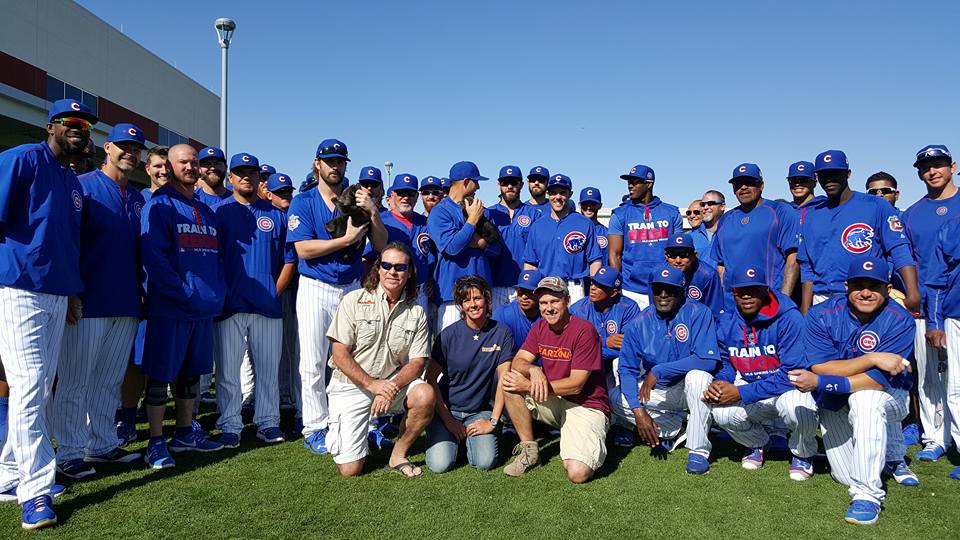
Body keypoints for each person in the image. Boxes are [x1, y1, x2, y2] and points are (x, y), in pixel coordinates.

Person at [0, 98, 96, 530]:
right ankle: (34, 492)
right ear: (51, 125)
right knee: (30, 386)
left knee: (37, 386)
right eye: (71, 122)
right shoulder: (22, 158)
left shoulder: (72, 181)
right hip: (20, 287)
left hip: (58, 294)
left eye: (86, 125)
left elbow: (70, 245)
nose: (79, 129)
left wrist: (74, 293)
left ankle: (7, 474)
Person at [49, 123, 147, 479]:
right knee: (76, 380)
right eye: (123, 146)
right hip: (88, 301)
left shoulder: (137, 197)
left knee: (109, 380)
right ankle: (70, 451)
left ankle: (102, 443)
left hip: (126, 302)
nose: (130, 153)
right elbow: (67, 243)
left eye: (136, 148)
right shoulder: (83, 187)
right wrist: (71, 291)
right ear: (107, 148)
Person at [789, 257, 917, 525]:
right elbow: (821, 366)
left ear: (888, 288)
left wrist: (823, 381)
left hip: (889, 396)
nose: (866, 292)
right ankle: (884, 456)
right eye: (859, 285)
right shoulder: (821, 314)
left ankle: (867, 495)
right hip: (836, 400)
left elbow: (878, 380)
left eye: (875, 285)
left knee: (866, 399)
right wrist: (872, 358)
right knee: (845, 474)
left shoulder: (901, 319)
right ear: (846, 286)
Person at [287, 139, 386, 454]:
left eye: (340, 161)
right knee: (314, 361)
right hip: (316, 285)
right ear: (317, 164)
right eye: (329, 161)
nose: (335, 166)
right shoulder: (303, 201)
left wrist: (372, 212)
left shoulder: (358, 198)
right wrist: (344, 241)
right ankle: (315, 426)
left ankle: (365, 423)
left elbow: (382, 244)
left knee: (360, 359)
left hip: (352, 285)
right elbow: (303, 249)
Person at [140, 144, 228, 470]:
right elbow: (155, 259)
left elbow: (216, 258)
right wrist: (181, 292)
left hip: (203, 307)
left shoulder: (205, 210)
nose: (191, 167)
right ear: (170, 165)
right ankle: (155, 441)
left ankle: (183, 432)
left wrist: (215, 292)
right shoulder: (159, 205)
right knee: (161, 377)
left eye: (194, 162)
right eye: (184, 162)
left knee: (192, 376)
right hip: (172, 307)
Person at [325, 243, 435, 477]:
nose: (392, 271)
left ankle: (398, 455)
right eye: (386, 265)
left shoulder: (416, 312)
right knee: (350, 470)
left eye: (399, 267)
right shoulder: (352, 301)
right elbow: (340, 354)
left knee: (425, 395)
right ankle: (348, 432)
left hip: (390, 385)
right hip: (351, 385)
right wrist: (373, 385)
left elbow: (417, 362)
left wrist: (390, 387)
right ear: (378, 269)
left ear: (410, 272)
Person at [702, 266, 818, 479]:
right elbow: (728, 363)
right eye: (740, 290)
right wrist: (720, 383)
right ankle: (758, 443)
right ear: (733, 292)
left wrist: (740, 393)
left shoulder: (790, 319)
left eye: (754, 290)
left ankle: (803, 453)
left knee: (797, 406)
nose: (746, 295)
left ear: (766, 290)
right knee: (721, 412)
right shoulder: (727, 322)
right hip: (754, 389)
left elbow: (793, 376)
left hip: (787, 390)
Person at [212, 153, 294, 448]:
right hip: (231, 305)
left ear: (261, 179)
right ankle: (230, 423)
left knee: (269, 370)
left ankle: (268, 422)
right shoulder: (219, 212)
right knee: (228, 370)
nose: (246, 176)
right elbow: (213, 259)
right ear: (230, 177)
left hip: (267, 306)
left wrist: (275, 292)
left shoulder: (276, 214)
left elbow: (289, 259)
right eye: (240, 172)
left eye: (252, 172)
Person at [500, 277, 610, 484]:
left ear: (567, 301)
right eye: (543, 303)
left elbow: (577, 384)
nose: (548, 308)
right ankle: (529, 452)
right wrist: (534, 370)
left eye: (554, 302)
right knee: (510, 380)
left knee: (578, 473)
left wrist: (529, 385)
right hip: (554, 399)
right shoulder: (540, 327)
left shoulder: (584, 330)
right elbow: (519, 361)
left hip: (586, 405)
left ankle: (592, 437)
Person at [612, 266, 718, 474]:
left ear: (682, 290)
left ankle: (698, 451)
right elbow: (626, 369)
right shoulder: (638, 323)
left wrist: (661, 370)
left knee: (698, 377)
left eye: (670, 290)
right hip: (661, 391)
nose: (663, 295)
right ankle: (677, 427)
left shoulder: (698, 312)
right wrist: (638, 411)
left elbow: (707, 361)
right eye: (658, 289)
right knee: (614, 397)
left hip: (690, 388)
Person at [798, 150, 920, 315]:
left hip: (865, 294)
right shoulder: (811, 215)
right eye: (823, 174)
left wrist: (912, 291)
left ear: (848, 174)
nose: (829, 179)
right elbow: (807, 267)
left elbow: (899, 249)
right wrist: (806, 307)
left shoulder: (876, 205)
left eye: (835, 173)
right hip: (822, 298)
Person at [902, 144, 960, 462]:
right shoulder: (912, 214)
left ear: (952, 166)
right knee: (929, 376)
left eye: (938, 165)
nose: (932, 171)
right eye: (926, 167)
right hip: (926, 307)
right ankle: (935, 436)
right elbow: (904, 261)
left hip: (957, 305)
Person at [425, 276, 514, 472]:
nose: (473, 304)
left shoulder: (502, 333)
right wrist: (448, 420)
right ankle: (450, 437)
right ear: (460, 305)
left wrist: (492, 421)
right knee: (440, 465)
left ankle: (472, 439)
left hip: (479, 411)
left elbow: (504, 381)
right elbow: (430, 378)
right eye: (466, 300)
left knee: (485, 462)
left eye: (477, 298)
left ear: (487, 299)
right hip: (447, 411)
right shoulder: (448, 335)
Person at [117, 145, 171, 446]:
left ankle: (164, 427)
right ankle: (126, 418)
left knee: (166, 362)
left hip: (171, 297)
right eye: (157, 166)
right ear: (147, 169)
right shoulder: (138, 199)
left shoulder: (183, 202)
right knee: (135, 362)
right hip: (141, 293)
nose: (163, 171)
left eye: (167, 166)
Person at [569, 266, 641, 445]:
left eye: (600, 285)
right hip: (589, 364)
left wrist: (594, 347)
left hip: (613, 364)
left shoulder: (629, 307)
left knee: (621, 362)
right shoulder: (579, 309)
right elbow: (572, 347)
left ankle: (624, 425)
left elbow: (629, 347)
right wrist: (603, 341)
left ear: (614, 291)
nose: (593, 287)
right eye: (593, 282)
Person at [711, 163, 799, 306]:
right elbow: (721, 265)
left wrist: (784, 301)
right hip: (732, 304)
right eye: (738, 183)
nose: (743, 187)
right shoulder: (726, 219)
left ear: (761, 185)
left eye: (749, 182)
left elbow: (792, 260)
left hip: (769, 301)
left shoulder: (780, 211)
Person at [427, 161, 501, 330]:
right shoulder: (440, 212)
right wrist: (472, 221)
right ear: (466, 181)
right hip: (453, 297)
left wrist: (480, 243)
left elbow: (496, 250)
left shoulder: (481, 210)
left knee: (484, 351)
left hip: (482, 294)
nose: (478, 188)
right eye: (476, 182)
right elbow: (452, 248)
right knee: (450, 351)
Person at [608, 164, 683, 309]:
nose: (630, 185)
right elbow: (614, 254)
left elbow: (677, 252)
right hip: (631, 288)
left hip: (664, 285)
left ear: (649, 184)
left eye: (635, 182)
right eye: (629, 182)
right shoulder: (619, 214)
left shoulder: (672, 213)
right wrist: (617, 286)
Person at [922, 207, 960, 481]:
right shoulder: (952, 226)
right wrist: (934, 323)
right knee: (956, 388)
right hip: (956, 316)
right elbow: (936, 281)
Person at [523, 174, 602, 302]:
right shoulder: (537, 225)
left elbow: (594, 260)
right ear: (548, 194)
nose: (557, 197)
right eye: (553, 193)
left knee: (577, 321)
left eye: (562, 193)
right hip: (546, 284)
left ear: (570, 194)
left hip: (574, 286)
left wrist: (596, 286)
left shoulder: (584, 223)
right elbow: (530, 263)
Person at [263, 173, 301, 422]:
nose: (285, 196)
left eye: (288, 191)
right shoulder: (265, 217)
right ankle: (277, 396)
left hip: (294, 289)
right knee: (274, 351)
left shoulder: (293, 217)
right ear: (269, 194)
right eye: (280, 192)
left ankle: (288, 396)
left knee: (292, 347)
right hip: (272, 292)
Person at [488, 165, 542, 307]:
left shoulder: (534, 214)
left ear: (521, 185)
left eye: (514, 182)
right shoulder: (489, 214)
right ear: (499, 185)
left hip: (524, 285)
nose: (510, 186)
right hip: (495, 285)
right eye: (505, 183)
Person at [663, 233, 723, 316]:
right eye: (673, 254)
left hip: (698, 322)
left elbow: (714, 311)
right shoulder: (658, 274)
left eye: (684, 254)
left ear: (694, 255)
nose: (678, 260)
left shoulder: (708, 275)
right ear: (666, 256)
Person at [493, 270, 543, 353]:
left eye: (529, 292)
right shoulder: (503, 314)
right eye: (520, 291)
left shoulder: (548, 315)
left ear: (540, 293)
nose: (524, 296)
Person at [694, 190, 726, 268]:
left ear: (722, 206)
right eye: (702, 204)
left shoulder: (732, 232)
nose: (705, 207)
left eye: (711, 203)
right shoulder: (691, 237)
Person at [580, 187, 609, 265]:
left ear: (600, 205)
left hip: (600, 275)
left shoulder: (607, 233)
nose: (588, 207)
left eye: (593, 204)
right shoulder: (573, 231)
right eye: (585, 204)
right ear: (580, 205)